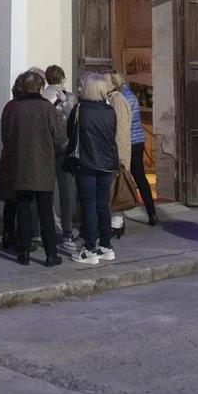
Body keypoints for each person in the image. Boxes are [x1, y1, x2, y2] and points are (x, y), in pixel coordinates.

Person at [0, 69, 65, 265]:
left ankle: (24, 253)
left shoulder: (15, 108)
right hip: (43, 165)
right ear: (41, 87)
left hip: (21, 165)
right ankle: (51, 254)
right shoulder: (47, 108)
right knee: (45, 211)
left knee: (24, 210)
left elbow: (7, 137)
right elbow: (60, 137)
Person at [67, 72, 120, 264]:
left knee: (89, 206)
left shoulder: (80, 109)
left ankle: (90, 248)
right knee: (103, 205)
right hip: (107, 163)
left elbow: (71, 134)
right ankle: (106, 245)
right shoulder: (110, 110)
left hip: (87, 163)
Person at [108, 71, 159, 229]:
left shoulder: (121, 99)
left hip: (129, 142)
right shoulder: (131, 95)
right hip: (138, 140)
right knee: (140, 177)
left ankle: (119, 217)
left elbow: (122, 123)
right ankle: (151, 213)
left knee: (123, 178)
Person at [43, 64, 78, 253]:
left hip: (47, 149)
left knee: (46, 191)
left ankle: (45, 228)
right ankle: (67, 231)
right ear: (63, 78)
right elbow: (73, 119)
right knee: (67, 192)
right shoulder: (70, 97)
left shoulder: (42, 97)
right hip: (65, 148)